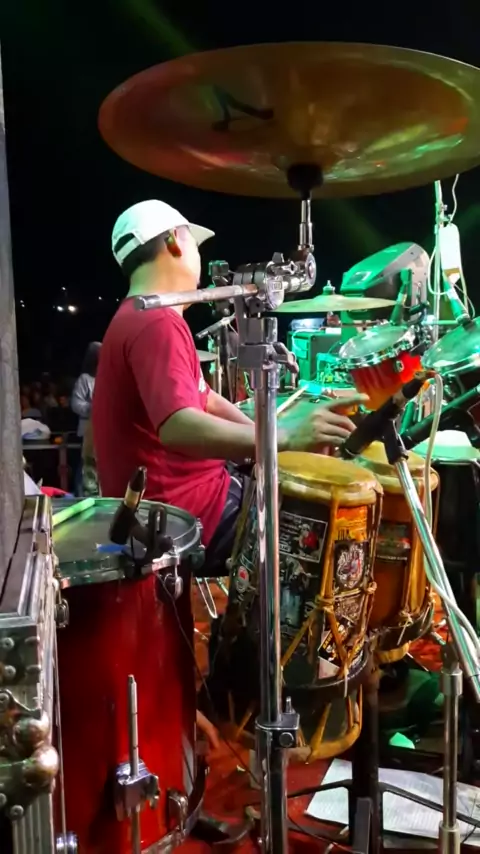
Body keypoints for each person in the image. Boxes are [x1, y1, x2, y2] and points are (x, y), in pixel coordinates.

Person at [92, 199, 364, 573]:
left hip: (171, 503)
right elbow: (177, 426)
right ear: (173, 242)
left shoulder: (135, 315)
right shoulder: (156, 322)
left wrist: (267, 437)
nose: (199, 258)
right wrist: (283, 438)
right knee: (327, 535)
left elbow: (205, 399)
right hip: (183, 516)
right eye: (194, 244)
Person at [71, 342, 101, 495]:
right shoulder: (85, 379)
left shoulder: (106, 379)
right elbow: (76, 404)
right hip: (87, 432)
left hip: (102, 432)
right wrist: (93, 408)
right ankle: (79, 494)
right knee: (85, 466)